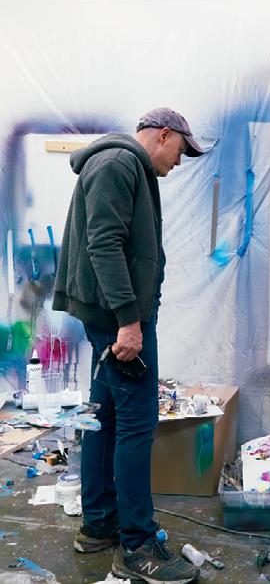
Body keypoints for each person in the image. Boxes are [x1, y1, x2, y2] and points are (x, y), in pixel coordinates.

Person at [53, 108, 205, 584]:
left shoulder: (124, 165)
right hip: (117, 322)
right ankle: (137, 547)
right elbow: (104, 244)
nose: (179, 161)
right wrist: (129, 321)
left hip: (112, 318)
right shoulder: (119, 164)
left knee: (105, 417)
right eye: (181, 150)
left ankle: (100, 524)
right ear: (163, 135)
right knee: (137, 423)